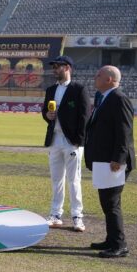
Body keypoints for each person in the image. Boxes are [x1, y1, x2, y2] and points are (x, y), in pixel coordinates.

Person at [84, 65, 136, 258]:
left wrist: (118, 159)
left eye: (98, 75)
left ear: (109, 79)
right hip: (103, 160)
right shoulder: (104, 98)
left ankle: (119, 245)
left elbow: (124, 132)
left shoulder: (119, 99)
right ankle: (111, 239)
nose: (95, 77)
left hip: (113, 162)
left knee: (111, 203)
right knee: (107, 202)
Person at [41, 55, 91, 232]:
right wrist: (47, 115)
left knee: (74, 180)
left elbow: (85, 117)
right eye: (54, 66)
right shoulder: (50, 90)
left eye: (58, 66)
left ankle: (77, 216)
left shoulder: (79, 89)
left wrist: (78, 141)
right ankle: (56, 215)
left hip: (72, 142)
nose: (54, 69)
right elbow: (45, 111)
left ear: (68, 68)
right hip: (54, 139)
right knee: (56, 180)